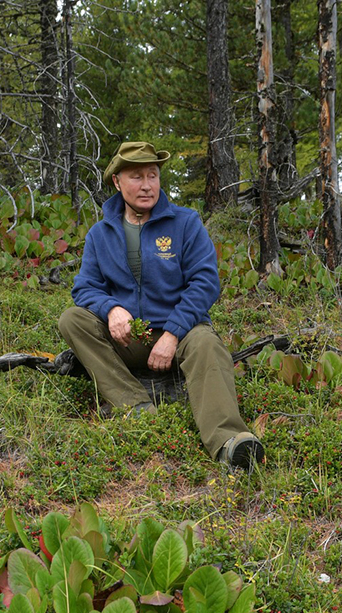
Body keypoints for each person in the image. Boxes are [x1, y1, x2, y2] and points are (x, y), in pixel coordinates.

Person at [58, 141, 264, 469]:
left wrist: (173, 333)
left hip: (181, 338)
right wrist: (111, 309)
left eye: (152, 175)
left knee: (207, 343)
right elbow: (85, 288)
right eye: (137, 176)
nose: (147, 185)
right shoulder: (100, 234)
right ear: (117, 181)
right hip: (129, 340)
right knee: (72, 320)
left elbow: (206, 282)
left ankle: (228, 442)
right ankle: (136, 407)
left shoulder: (185, 223)